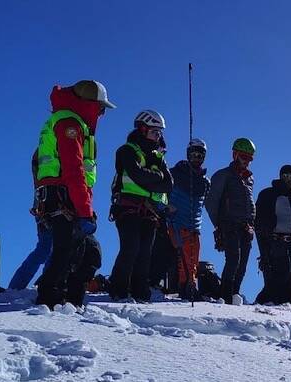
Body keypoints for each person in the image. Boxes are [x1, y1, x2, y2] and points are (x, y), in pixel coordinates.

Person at [32, 80, 114, 308]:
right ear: (90, 105)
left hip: (67, 197)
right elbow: (74, 170)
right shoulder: (69, 124)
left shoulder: (72, 123)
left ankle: (71, 302)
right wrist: (85, 211)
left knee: (88, 252)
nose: (101, 115)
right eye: (101, 109)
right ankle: (49, 301)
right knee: (67, 250)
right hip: (63, 198)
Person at [108, 110, 173, 302]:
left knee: (145, 252)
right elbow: (136, 174)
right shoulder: (127, 151)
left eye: (160, 132)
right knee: (131, 247)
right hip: (127, 208)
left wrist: (150, 181)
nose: (158, 136)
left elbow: (169, 184)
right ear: (142, 129)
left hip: (150, 212)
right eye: (154, 132)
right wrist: (157, 177)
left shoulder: (158, 156)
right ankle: (118, 290)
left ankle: (140, 292)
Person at [206, 138, 256, 305]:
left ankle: (235, 294)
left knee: (243, 264)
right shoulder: (223, 175)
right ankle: (226, 296)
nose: (247, 161)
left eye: (250, 158)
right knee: (233, 259)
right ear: (235, 155)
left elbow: (250, 202)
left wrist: (252, 223)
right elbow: (211, 201)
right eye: (244, 157)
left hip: (246, 227)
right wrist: (218, 225)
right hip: (229, 224)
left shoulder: (249, 178)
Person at [254, 164, 291, 305]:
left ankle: (286, 301)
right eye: (285, 175)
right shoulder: (268, 194)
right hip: (276, 239)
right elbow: (259, 217)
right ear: (280, 176)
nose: (288, 179)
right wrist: (265, 235)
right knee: (281, 272)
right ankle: (266, 300)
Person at [167, 138, 211, 300]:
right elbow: (163, 193)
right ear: (187, 155)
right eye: (193, 155)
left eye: (200, 156)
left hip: (194, 226)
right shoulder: (174, 173)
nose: (196, 158)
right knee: (182, 258)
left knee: (193, 259)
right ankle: (185, 287)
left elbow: (203, 204)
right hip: (176, 222)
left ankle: (190, 287)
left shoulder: (205, 182)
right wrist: (166, 208)